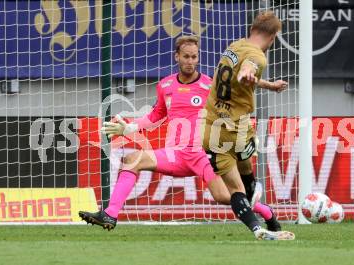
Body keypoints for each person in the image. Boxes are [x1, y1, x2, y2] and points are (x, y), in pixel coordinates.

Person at [79, 35, 288, 240]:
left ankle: (265, 211)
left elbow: (239, 83)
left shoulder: (209, 85)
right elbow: (156, 115)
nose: (190, 62)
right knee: (132, 159)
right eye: (186, 56)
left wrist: (269, 86)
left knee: (225, 196)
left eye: (194, 57)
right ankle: (110, 214)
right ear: (176, 56)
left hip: (204, 154)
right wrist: (130, 127)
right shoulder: (165, 85)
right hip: (175, 154)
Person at [202, 11, 293, 239]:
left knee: (236, 189)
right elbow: (246, 71)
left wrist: (267, 85)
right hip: (239, 129)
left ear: (253, 29)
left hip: (213, 130)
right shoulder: (259, 57)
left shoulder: (235, 46)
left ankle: (257, 227)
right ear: (272, 36)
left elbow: (242, 73)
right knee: (247, 176)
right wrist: (247, 75)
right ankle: (257, 199)